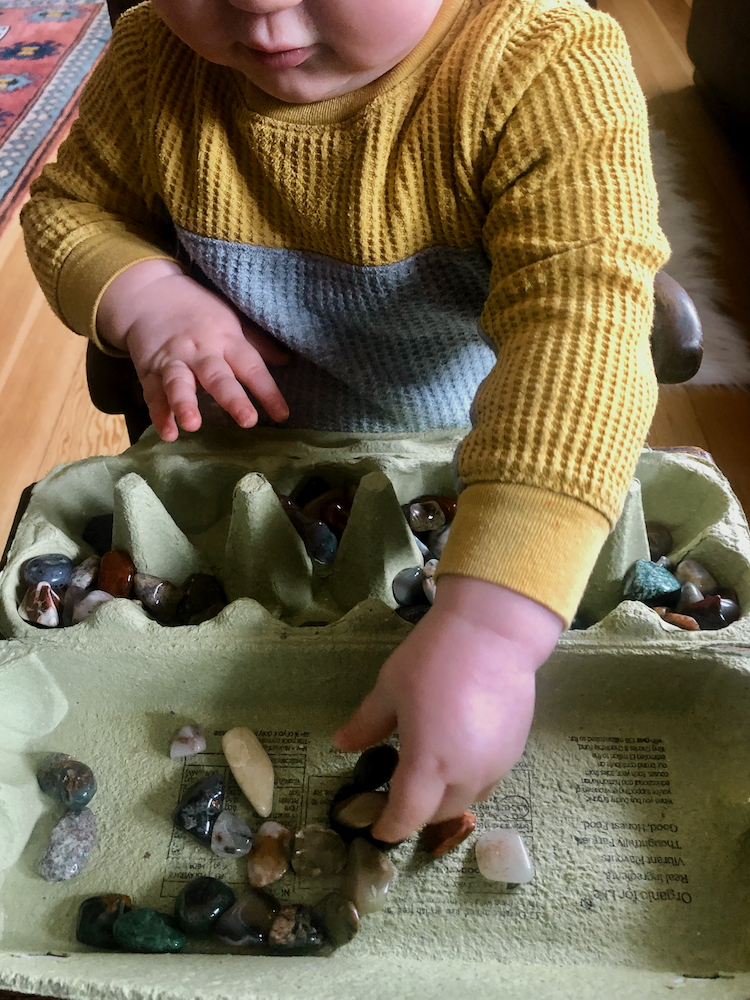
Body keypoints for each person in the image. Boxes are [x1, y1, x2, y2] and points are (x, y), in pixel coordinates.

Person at [21, 0, 669, 845]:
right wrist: (143, 292)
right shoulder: (150, 56)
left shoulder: (545, 64)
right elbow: (68, 208)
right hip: (232, 473)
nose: (256, 6)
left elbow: (581, 328)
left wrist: (492, 627)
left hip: (467, 480)